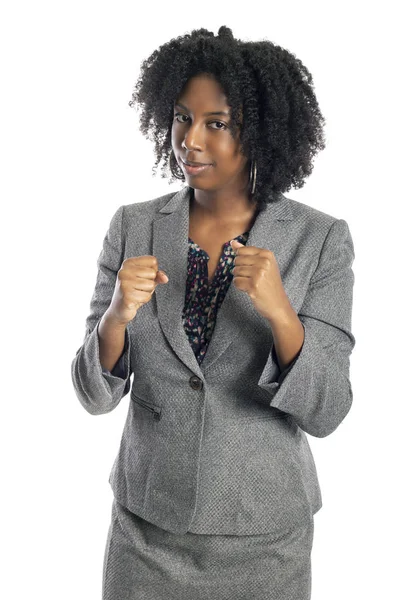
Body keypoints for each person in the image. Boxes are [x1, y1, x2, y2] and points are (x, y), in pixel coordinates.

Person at [71, 26, 356, 600]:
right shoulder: (133, 226)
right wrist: (116, 319)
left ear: (262, 132)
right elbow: (92, 395)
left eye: (216, 124)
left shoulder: (320, 239)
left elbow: (328, 409)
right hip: (145, 533)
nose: (189, 141)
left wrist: (282, 315)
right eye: (181, 118)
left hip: (264, 539)